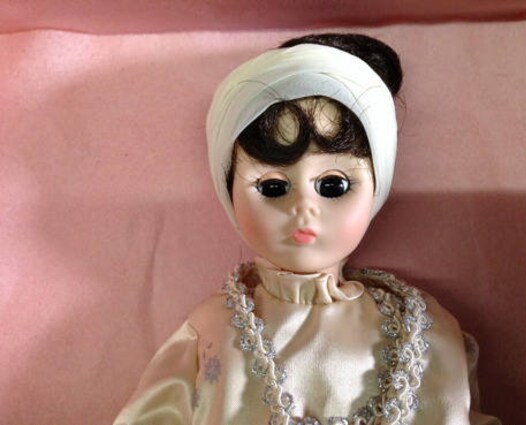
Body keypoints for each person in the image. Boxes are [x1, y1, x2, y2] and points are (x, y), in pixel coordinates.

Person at [114, 33, 500, 425]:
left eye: (333, 185)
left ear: (377, 187)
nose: (303, 208)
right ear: (229, 193)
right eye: (272, 188)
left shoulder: (421, 329)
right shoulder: (212, 330)